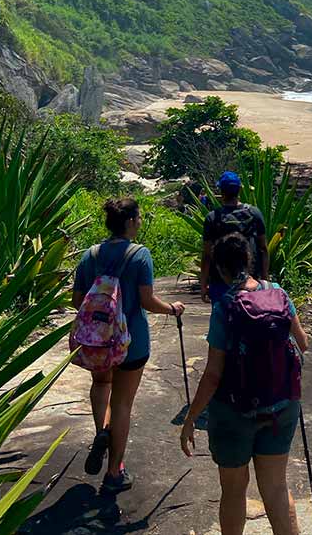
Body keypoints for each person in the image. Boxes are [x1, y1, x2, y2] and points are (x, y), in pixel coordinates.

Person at [181, 233, 308, 535]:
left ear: (220, 269)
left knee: (235, 490)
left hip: (234, 412)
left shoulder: (224, 307)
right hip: (281, 404)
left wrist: (191, 417)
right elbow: (302, 343)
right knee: (276, 487)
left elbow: (213, 374)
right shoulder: (278, 293)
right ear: (250, 261)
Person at [72, 197, 185, 493]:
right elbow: (147, 301)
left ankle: (101, 432)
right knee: (122, 403)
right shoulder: (140, 255)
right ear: (131, 221)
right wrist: (171, 308)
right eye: (139, 217)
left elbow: (76, 301)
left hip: (96, 342)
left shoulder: (90, 255)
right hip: (130, 342)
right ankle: (114, 473)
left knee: (100, 386)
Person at [200, 170, 269, 305]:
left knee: (223, 320)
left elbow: (207, 255)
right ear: (239, 190)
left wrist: (203, 284)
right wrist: (265, 278)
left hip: (220, 281)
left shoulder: (212, 218)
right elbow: (263, 249)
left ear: (221, 192)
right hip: (250, 280)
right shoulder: (254, 213)